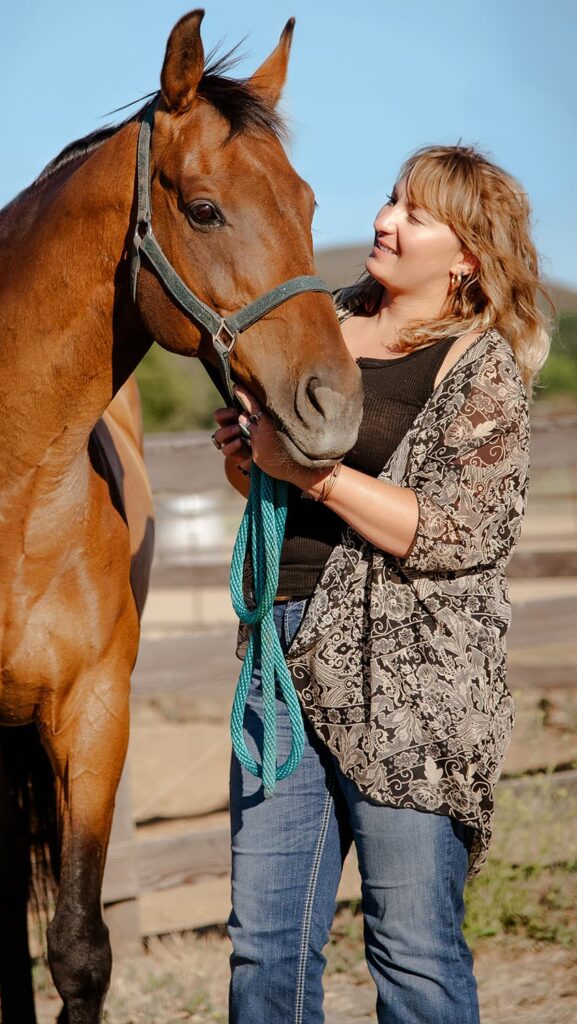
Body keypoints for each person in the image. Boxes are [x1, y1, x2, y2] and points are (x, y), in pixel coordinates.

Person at [210, 144, 553, 1024]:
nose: (383, 220)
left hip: (408, 688)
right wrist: (250, 462)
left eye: (415, 213)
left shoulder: (483, 367)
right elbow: (269, 483)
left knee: (411, 950)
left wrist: (311, 473)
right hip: (278, 659)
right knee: (263, 949)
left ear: (468, 253)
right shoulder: (315, 321)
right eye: (389, 200)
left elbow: (458, 535)